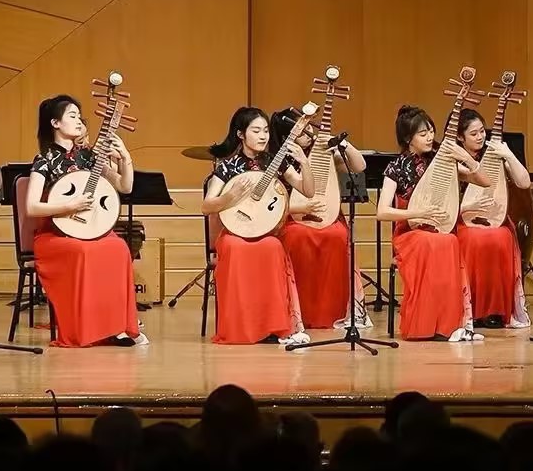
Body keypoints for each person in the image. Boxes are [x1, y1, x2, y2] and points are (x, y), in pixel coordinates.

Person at [20, 95, 143, 347]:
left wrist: (125, 157)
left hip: (89, 228)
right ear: (55, 123)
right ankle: (87, 329)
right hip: (55, 234)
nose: (79, 121)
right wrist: (69, 206)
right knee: (84, 252)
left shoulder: (88, 157)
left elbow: (125, 186)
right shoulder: (44, 160)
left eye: (80, 116)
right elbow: (31, 207)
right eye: (72, 116)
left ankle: (117, 327)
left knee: (118, 247)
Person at [376, 105, 488, 342]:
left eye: (431, 131)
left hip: (438, 232)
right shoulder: (396, 167)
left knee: (448, 241)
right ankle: (424, 326)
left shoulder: (441, 162)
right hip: (409, 234)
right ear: (408, 138)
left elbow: (484, 181)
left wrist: (466, 158)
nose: (429, 137)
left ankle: (448, 326)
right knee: (436, 243)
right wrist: (419, 212)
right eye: (422, 133)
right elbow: (382, 212)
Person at [202, 107, 311, 347]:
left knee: (273, 246)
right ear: (241, 134)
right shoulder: (227, 167)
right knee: (234, 247)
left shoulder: (274, 161)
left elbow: (308, 190)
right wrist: (229, 197)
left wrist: (304, 162)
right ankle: (240, 328)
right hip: (234, 232)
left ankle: (272, 327)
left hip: (266, 232)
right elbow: (206, 206)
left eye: (265, 131)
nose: (263, 136)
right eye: (256, 131)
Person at [279, 107, 371, 329]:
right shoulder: (283, 158)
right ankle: (301, 310)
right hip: (293, 216)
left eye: (309, 127)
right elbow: (276, 202)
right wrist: (302, 206)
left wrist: (342, 143)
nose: (307, 133)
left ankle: (334, 310)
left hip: (328, 215)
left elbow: (360, 166)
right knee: (296, 236)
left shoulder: (325, 151)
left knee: (338, 235)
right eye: (301, 130)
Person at [453, 108, 533, 330]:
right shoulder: (453, 159)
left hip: (496, 220)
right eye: (473, 134)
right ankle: (472, 309)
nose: (480, 137)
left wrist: (508, 154)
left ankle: (496, 311)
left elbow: (524, 182)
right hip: (461, 221)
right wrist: (467, 208)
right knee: (473, 240)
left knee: (501, 238)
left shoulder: (494, 155)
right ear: (460, 137)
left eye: (482, 131)